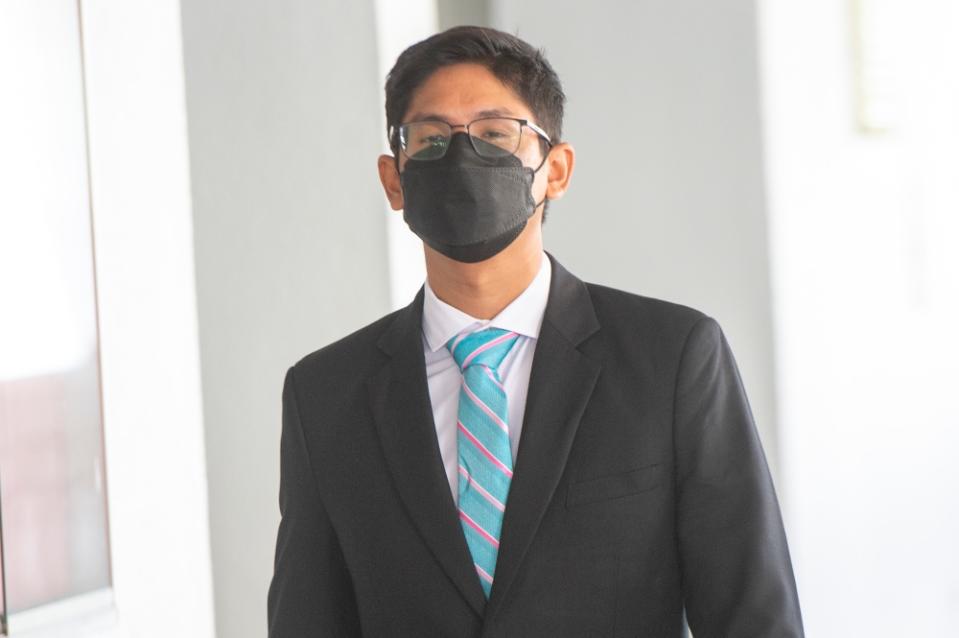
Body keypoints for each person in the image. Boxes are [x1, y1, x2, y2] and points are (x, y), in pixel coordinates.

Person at [267, 25, 804, 637]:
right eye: (432, 139)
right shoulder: (325, 393)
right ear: (395, 179)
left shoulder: (672, 358)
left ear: (556, 170)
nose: (463, 156)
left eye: (497, 134)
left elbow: (752, 614)